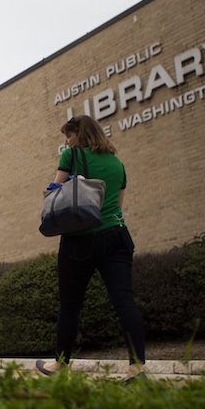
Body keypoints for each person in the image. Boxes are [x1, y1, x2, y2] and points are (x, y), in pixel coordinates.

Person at [36, 115, 146, 381]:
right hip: (117, 235)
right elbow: (117, 205)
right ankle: (137, 367)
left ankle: (60, 364)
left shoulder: (71, 156)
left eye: (69, 136)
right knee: (124, 301)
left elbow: (55, 193)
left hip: (80, 239)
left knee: (70, 305)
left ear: (80, 135)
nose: (66, 142)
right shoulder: (117, 163)